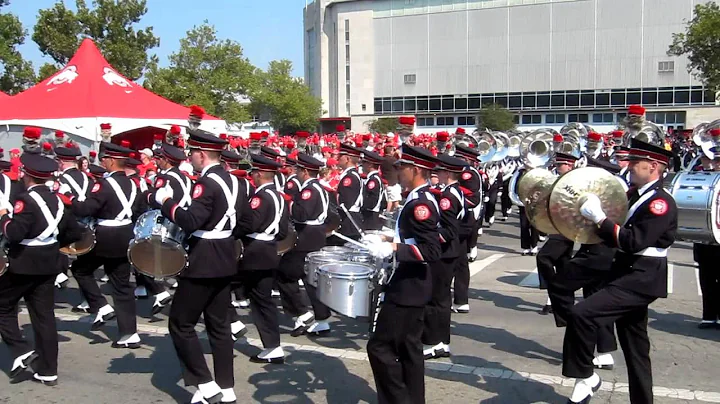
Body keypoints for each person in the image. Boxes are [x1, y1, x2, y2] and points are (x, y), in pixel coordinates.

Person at [565, 138, 677, 404]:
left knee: (581, 313)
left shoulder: (660, 202)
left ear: (653, 166)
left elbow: (633, 241)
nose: (630, 167)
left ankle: (586, 375)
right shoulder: (634, 195)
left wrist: (600, 219)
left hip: (641, 277)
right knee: (636, 347)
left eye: (636, 163)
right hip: (625, 271)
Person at [154, 129, 244, 403]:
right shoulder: (235, 181)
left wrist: (165, 201)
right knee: (219, 326)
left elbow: (191, 221)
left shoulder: (207, 183)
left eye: (192, 152)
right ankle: (226, 387)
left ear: (202, 154)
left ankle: (206, 385)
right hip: (226, 254)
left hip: (205, 257)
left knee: (180, 323)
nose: (189, 157)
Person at [366, 144, 441, 404]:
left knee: (379, 347)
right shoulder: (418, 197)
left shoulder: (421, 203)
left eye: (402, 168)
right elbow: (415, 237)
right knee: (409, 350)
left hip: (409, 286)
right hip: (413, 284)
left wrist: (393, 248)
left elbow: (431, 250)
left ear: (415, 169)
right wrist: (388, 237)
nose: (398, 173)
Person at [0, 153, 82, 385]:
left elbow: (14, 233)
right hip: (49, 263)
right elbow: (74, 233)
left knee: (3, 306)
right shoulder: (59, 200)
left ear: (27, 175)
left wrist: (3, 217)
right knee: (44, 316)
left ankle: (20, 348)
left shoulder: (25, 201)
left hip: (23, 263)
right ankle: (48, 370)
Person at [59, 141, 142, 348]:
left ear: (112, 161)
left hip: (106, 236)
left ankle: (101, 306)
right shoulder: (133, 183)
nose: (102, 162)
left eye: (104, 159)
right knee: (122, 285)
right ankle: (129, 333)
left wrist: (67, 196)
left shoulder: (104, 184)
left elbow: (86, 208)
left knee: (80, 269)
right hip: (126, 235)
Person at [235, 154, 289, 364]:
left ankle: (232, 325)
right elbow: (283, 231)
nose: (252, 178)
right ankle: (272, 345)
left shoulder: (260, 197)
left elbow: (250, 224)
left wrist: (234, 231)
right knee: (263, 300)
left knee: (223, 285)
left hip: (254, 251)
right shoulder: (279, 196)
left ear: (258, 174)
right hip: (269, 249)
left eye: (253, 175)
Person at [276, 153, 331, 336]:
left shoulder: (309, 190)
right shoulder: (318, 188)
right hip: (314, 236)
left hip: (306, 237)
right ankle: (321, 319)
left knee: (285, 274)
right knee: (311, 280)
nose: (297, 173)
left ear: (305, 171)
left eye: (299, 170)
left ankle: (301, 312)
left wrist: (288, 202)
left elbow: (302, 214)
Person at [423, 153, 467, 360]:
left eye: (439, 171)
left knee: (436, 299)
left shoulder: (448, 197)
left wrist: (429, 237)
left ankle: (435, 342)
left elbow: (450, 229)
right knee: (440, 299)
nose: (437, 175)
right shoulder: (453, 192)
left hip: (445, 252)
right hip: (450, 251)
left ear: (447, 173)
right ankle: (441, 341)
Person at [535, 153, 576, 315]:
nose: (557, 168)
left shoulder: (575, 182)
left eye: (560, 165)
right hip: (556, 226)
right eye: (557, 165)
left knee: (544, 257)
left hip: (566, 228)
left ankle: (555, 295)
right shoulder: (556, 180)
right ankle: (559, 301)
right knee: (563, 264)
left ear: (570, 166)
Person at [692, 149, 720, 329]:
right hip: (705, 238)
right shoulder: (703, 178)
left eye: (719, 161)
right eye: (714, 160)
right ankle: (708, 315)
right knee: (706, 277)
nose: (716, 164)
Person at [329, 143, 364, 245]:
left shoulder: (350, 177)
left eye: (340, 156)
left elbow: (346, 203)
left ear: (347, 159)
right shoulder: (350, 175)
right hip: (350, 219)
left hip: (349, 221)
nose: (338, 158)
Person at [360, 149, 386, 231]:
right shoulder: (374, 178)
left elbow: (372, 202)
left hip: (370, 216)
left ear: (370, 165)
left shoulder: (373, 180)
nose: (362, 165)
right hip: (371, 215)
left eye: (364, 163)